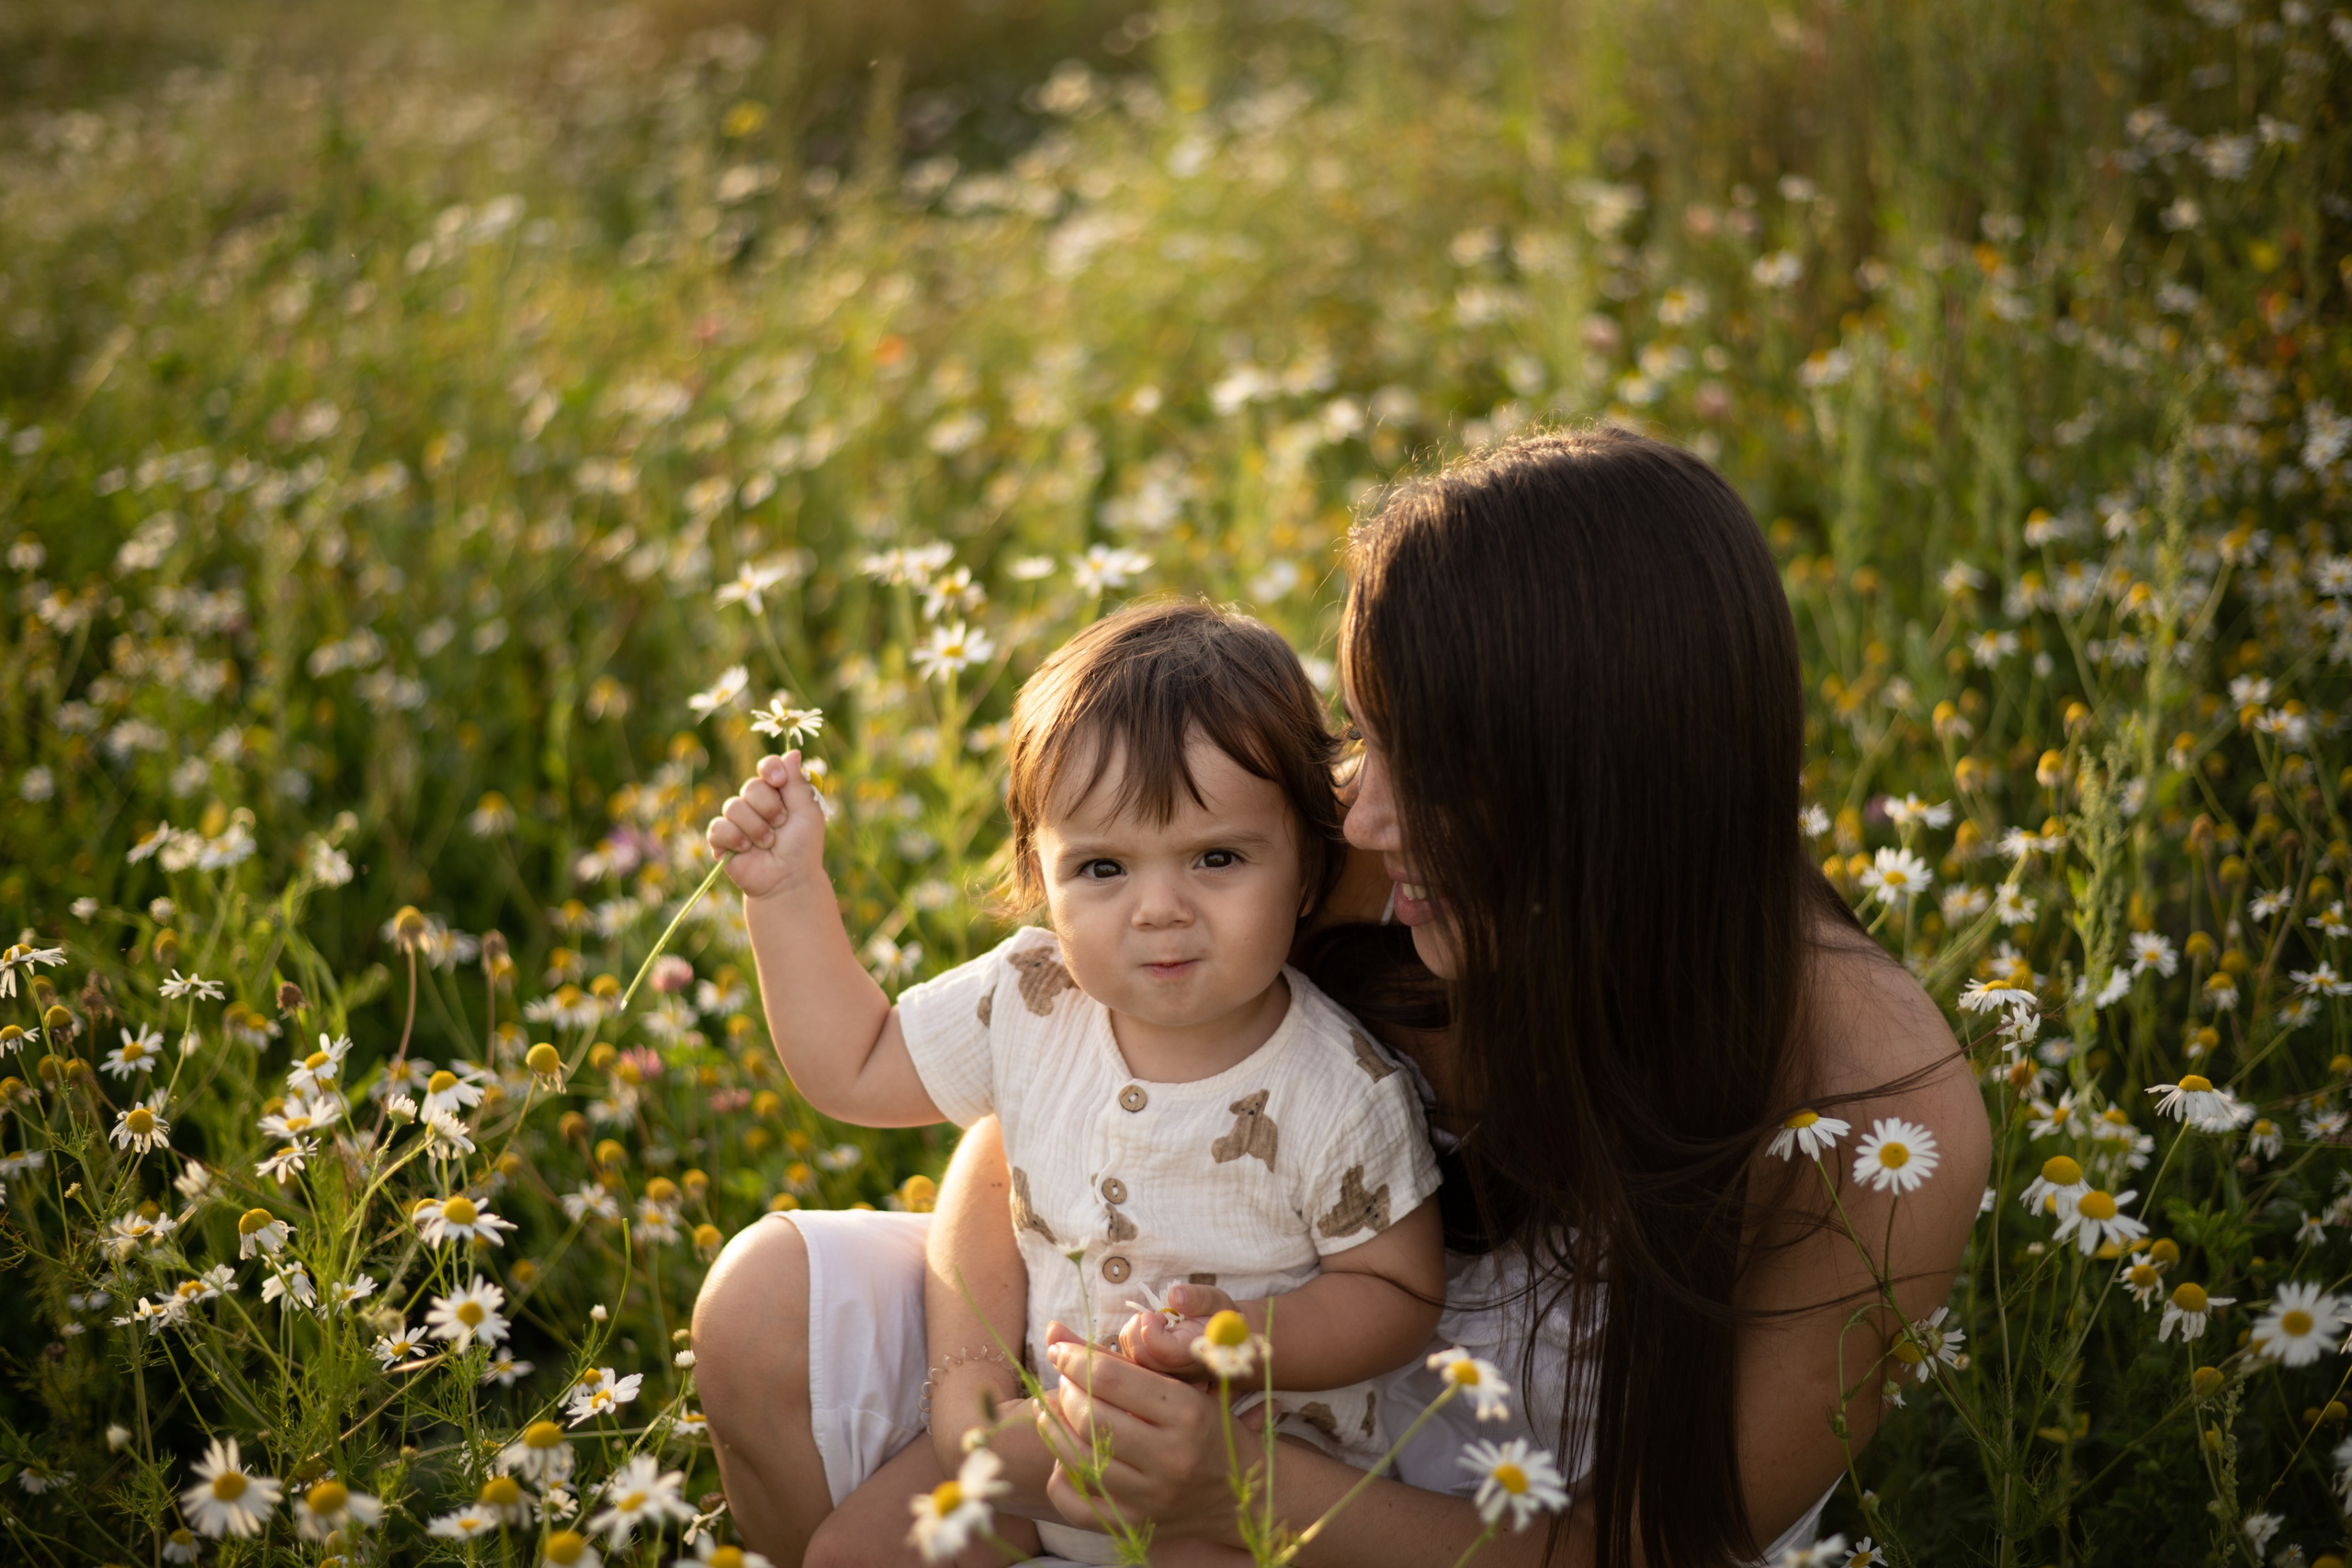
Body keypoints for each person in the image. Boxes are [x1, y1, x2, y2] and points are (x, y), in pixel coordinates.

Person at [695, 425, 1989, 1566]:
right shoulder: (1342, 855)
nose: (1357, 806)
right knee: (764, 1302)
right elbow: (1058, 1096)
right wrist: (979, 1383)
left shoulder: (1874, 1106)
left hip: (1483, 1524)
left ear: (1586, 784)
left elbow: (1658, 1548)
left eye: (1412, 757)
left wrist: (1246, 1489)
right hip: (1187, 1383)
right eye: (1361, 733)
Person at [703, 602, 1447, 1565]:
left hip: (1231, 1482)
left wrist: (1247, 1337)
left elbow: (1395, 1290)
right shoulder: (1031, 996)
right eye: (1102, 867)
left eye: (1215, 857)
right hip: (1028, 1443)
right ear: (1038, 876)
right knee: (857, 1549)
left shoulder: (1339, 1084)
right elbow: (854, 1065)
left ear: (1306, 869)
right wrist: (788, 898)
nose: (1159, 910)